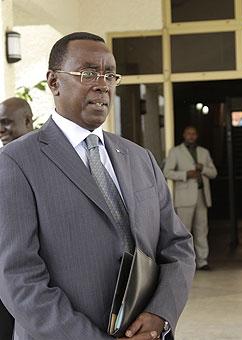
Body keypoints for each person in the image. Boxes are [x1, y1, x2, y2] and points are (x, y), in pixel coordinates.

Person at [0, 32, 195, 340]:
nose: (102, 84)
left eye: (109, 75)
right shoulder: (16, 162)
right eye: (88, 73)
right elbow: (17, 278)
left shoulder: (139, 157)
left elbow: (177, 247)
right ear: (54, 82)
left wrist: (160, 315)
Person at [0, 97, 33, 339]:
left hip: (36, 281)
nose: (0, 130)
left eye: (6, 123)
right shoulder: (4, 160)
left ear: (28, 120)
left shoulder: (50, 159)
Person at [164, 126, 217, 270]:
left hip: (202, 196)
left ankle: (202, 261)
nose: (191, 136)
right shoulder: (175, 152)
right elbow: (167, 172)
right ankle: (186, 262)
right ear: (184, 135)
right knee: (184, 231)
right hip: (184, 196)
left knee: (202, 230)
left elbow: (213, 173)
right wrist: (185, 175)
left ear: (197, 135)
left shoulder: (203, 152)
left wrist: (203, 168)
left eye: (194, 134)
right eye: (189, 133)